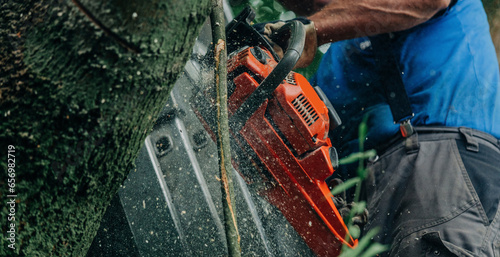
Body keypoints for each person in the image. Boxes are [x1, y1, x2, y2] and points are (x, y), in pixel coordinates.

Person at [262, 0, 500, 256]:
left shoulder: (395, 11)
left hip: (440, 161)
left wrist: (315, 30)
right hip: (358, 197)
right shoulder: (338, 60)